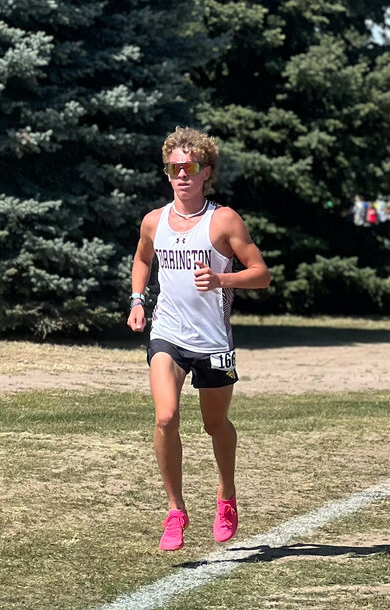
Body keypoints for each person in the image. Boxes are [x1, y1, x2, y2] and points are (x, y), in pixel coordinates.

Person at [127, 127, 271, 551]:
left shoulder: (223, 220)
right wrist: (138, 300)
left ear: (206, 171)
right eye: (173, 167)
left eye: (189, 167)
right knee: (166, 417)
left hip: (213, 341)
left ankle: (226, 495)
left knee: (214, 424)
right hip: (167, 334)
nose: (181, 175)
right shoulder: (154, 221)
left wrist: (223, 278)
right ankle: (175, 510)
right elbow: (141, 258)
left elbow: (261, 274)